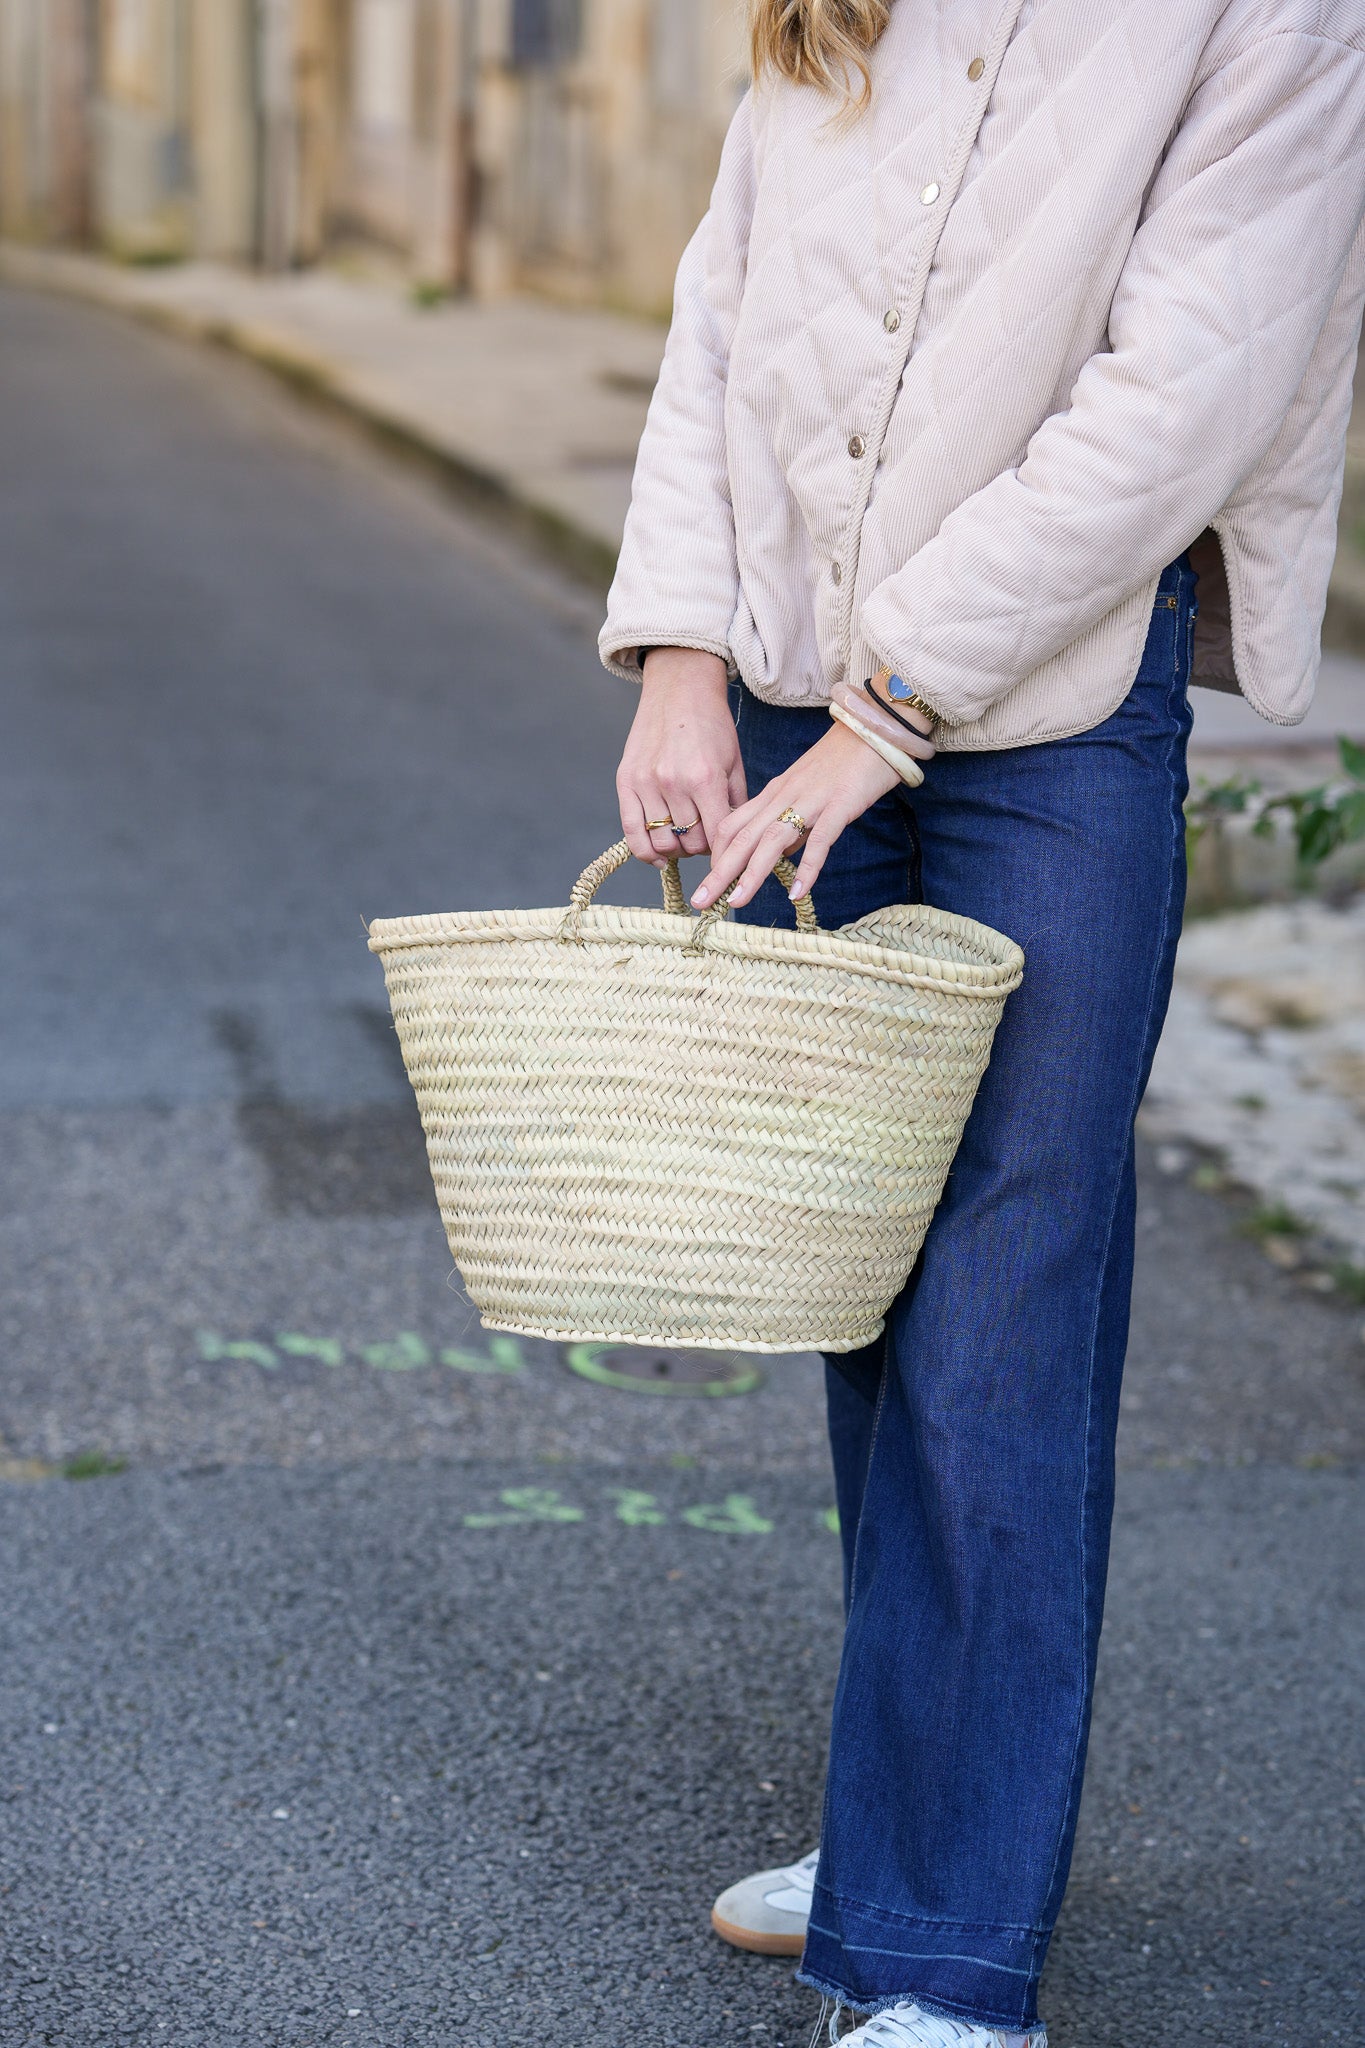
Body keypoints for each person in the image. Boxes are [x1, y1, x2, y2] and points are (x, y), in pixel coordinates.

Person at [600, 3, 1365, 2043]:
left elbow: (1183, 389)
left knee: (1009, 1278)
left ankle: (947, 1953)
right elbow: (720, 302)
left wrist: (890, 705)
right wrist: (677, 654)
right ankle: (898, 1824)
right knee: (859, 1265)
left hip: (1044, 710)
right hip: (776, 674)